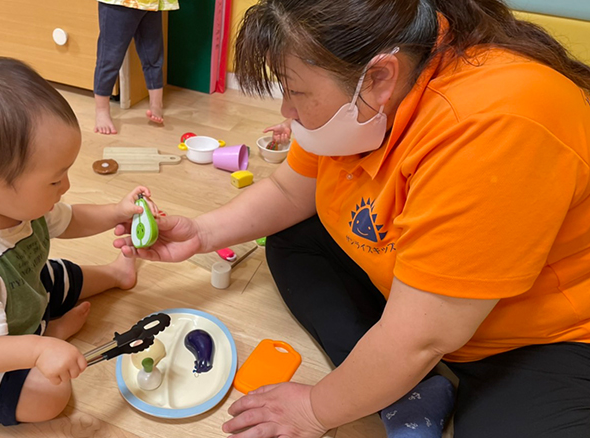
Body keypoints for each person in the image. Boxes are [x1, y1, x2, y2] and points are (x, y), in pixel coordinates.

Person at [114, 1, 590, 437]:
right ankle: (403, 385)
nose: (287, 110)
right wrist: (201, 233)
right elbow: (287, 190)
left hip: (539, 338)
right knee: (291, 237)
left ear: (381, 77)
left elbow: (422, 336)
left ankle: (395, 379)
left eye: (296, 92)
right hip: (422, 293)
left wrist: (315, 409)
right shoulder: (367, 72)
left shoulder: (494, 127)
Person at [0, 57, 155, 426]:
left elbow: (70, 220)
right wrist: (39, 349)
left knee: (52, 274)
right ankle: (42, 332)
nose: (65, 187)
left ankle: (117, 275)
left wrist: (117, 212)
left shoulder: (14, 201)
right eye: (55, 180)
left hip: (14, 295)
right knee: (52, 394)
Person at [94, 0, 179, 134]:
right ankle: (101, 110)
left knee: (153, 54)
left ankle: (156, 104)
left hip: (151, 3)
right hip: (119, 4)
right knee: (110, 57)